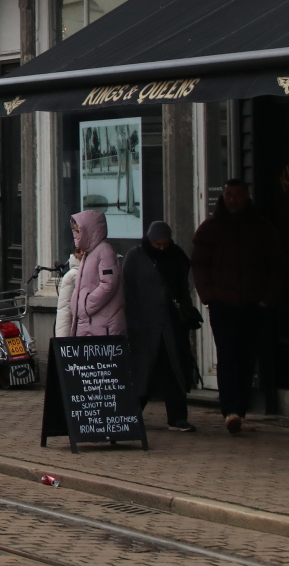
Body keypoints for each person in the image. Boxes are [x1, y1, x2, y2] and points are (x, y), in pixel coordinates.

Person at [192, 180, 286, 433]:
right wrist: (209, 296)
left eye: (238, 195)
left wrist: (266, 298)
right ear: (223, 196)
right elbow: (199, 264)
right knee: (227, 355)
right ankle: (230, 410)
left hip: (254, 304)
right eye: (229, 195)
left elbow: (276, 266)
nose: (233, 199)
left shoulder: (262, 228)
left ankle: (240, 411)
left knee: (247, 358)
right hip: (223, 303)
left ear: (246, 197)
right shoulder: (211, 229)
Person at [122, 222, 195, 432]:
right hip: (143, 325)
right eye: (157, 244)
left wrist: (185, 314)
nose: (162, 248)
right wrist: (130, 322)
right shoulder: (135, 256)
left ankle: (178, 417)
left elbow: (183, 288)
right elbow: (128, 291)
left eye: (165, 244)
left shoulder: (177, 256)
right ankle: (130, 414)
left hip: (172, 325)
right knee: (144, 371)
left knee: (174, 370)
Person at [69, 210, 125, 337]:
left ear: (89, 231)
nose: (76, 236)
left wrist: (85, 306)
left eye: (79, 231)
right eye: (75, 232)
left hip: (101, 325)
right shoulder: (89, 254)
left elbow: (109, 284)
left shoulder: (104, 251)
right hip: (91, 323)